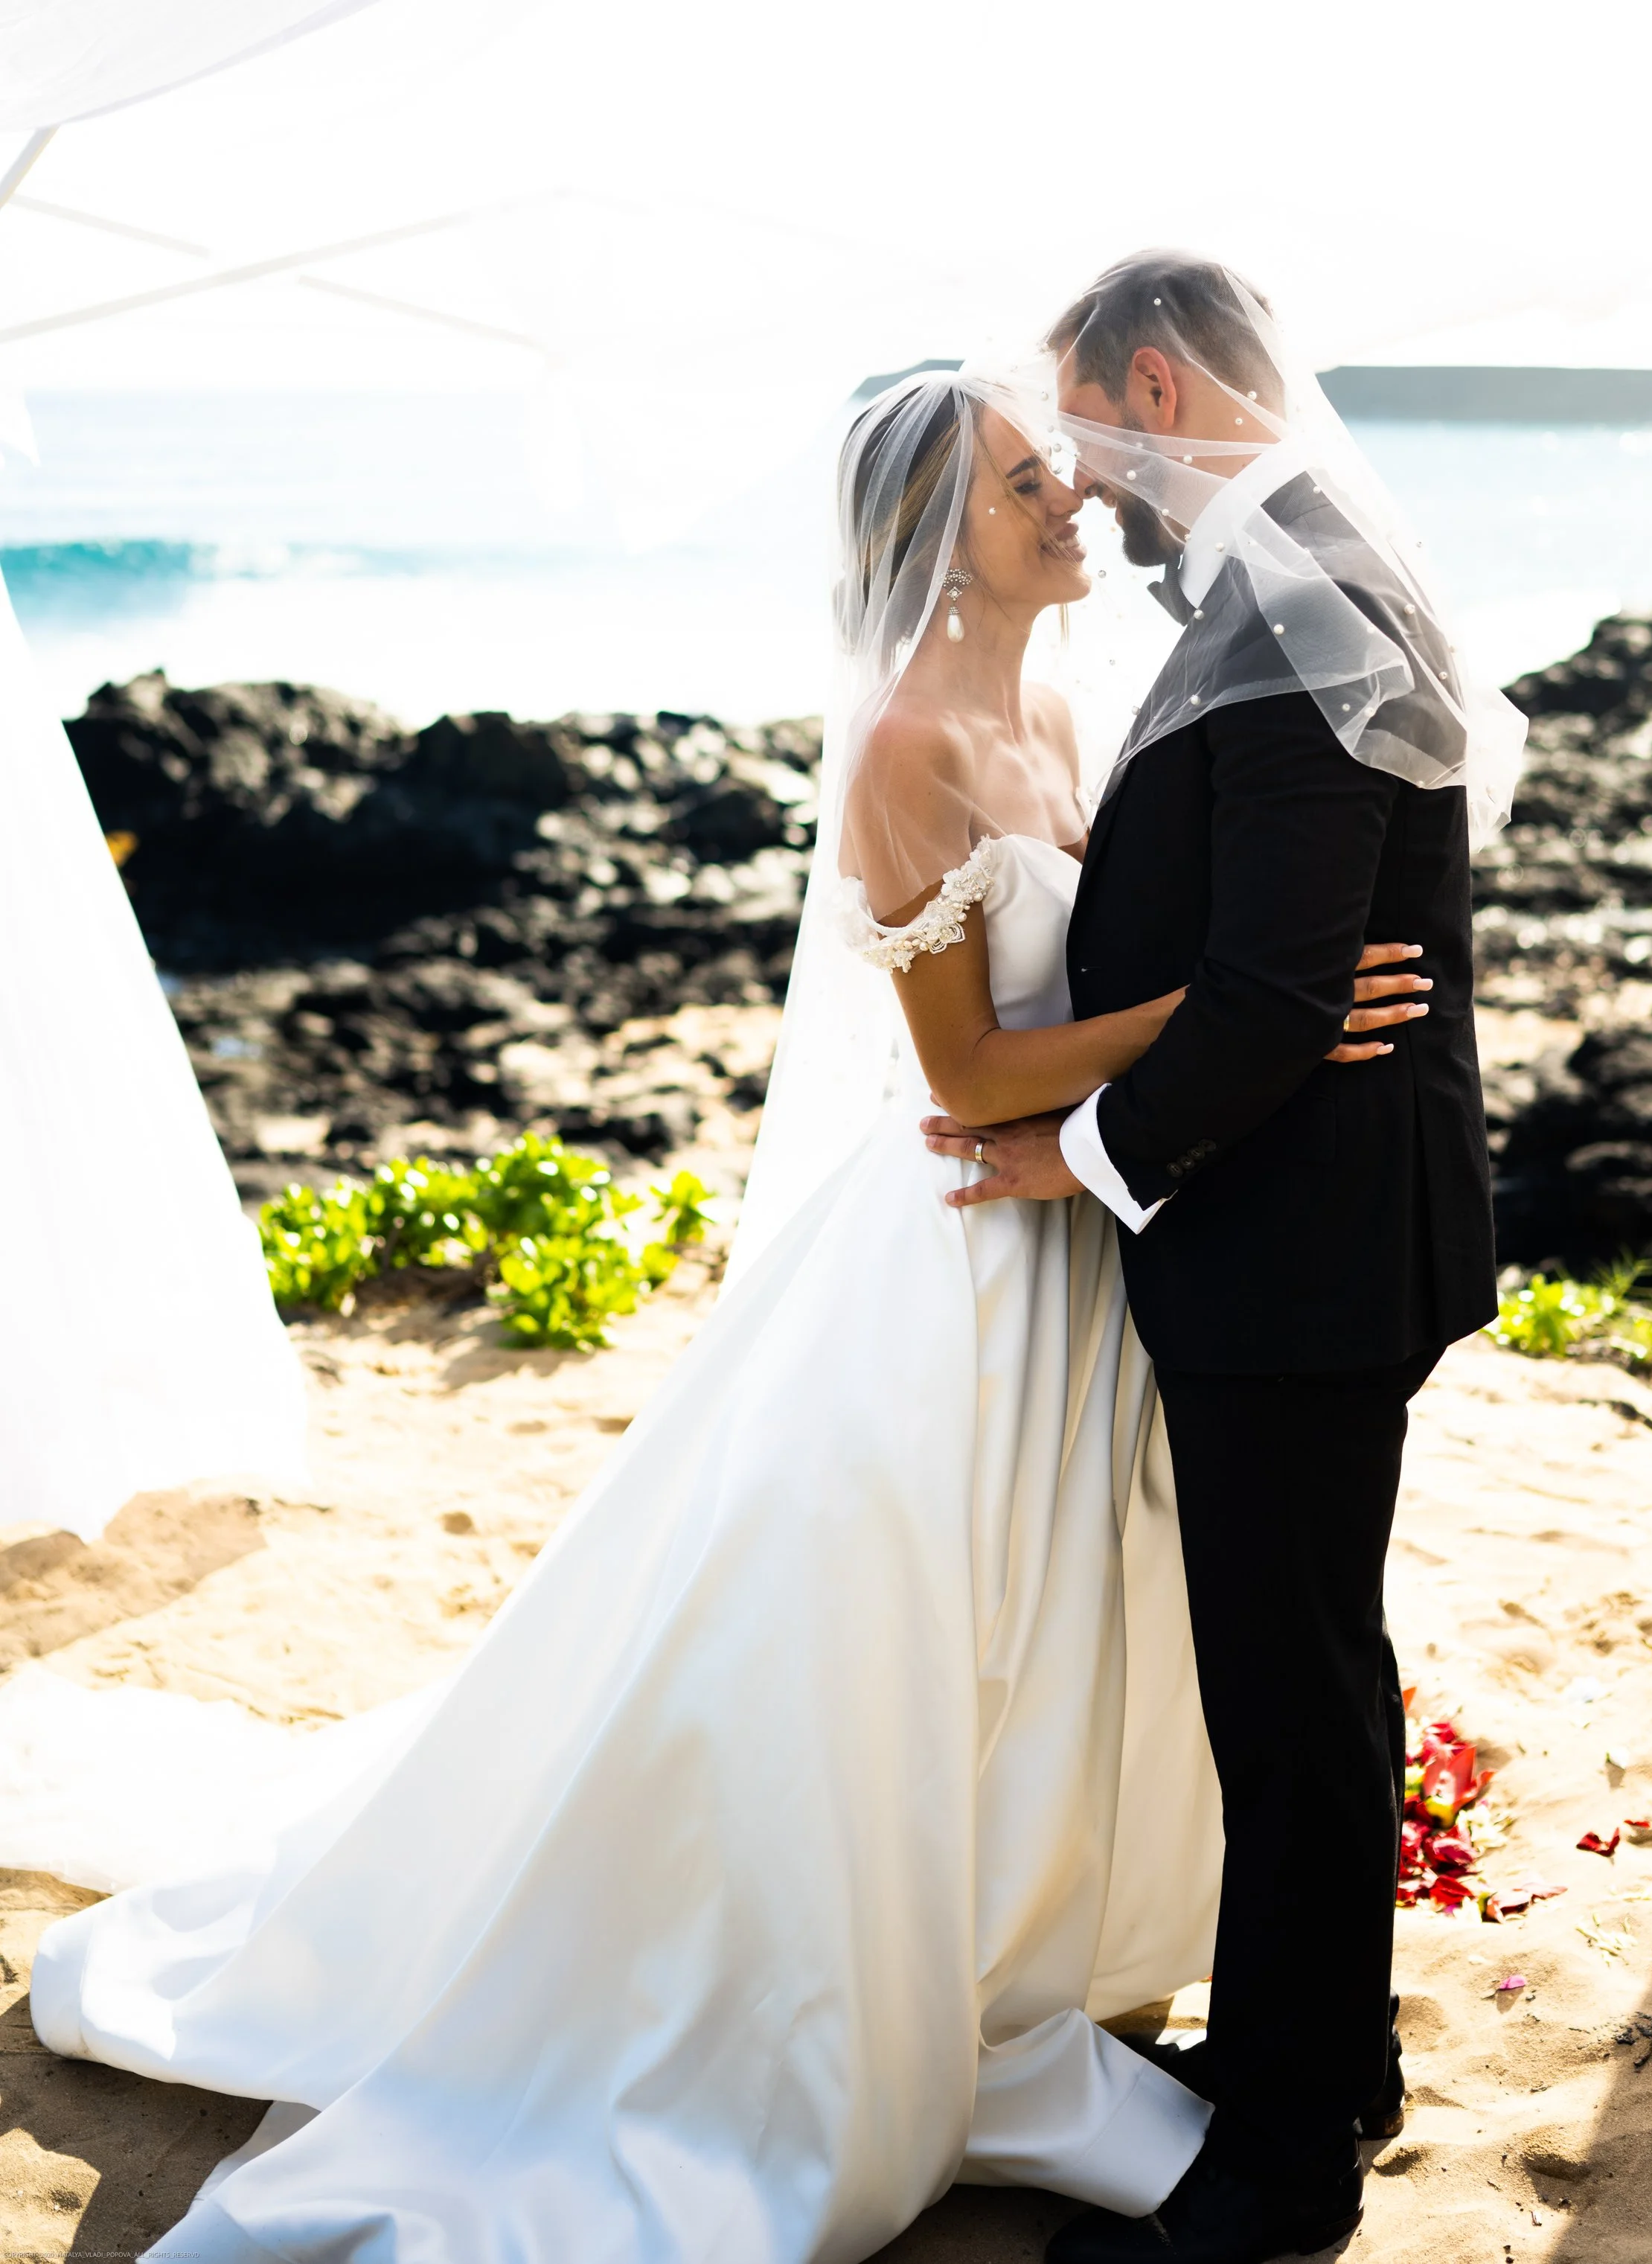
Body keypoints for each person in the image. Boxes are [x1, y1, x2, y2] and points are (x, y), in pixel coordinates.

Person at [24, 365, 1424, 2264]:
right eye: (1029, 482)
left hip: (1082, 1247)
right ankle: (852, 1997)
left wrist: (1222, 1016)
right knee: (894, 1631)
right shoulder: (900, 752)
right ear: (942, 530)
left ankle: (1001, 1954)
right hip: (955, 1255)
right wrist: (1251, 1011)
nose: (1073, 499)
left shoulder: (1072, 708)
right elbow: (972, 1071)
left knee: (1044, 1632)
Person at [922, 253, 1526, 2264]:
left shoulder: (1296, 589)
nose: (1087, 491)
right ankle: (1321, 2054)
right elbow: (1282, 967)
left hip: (1300, 1243)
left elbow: (1276, 999)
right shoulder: (1304, 561)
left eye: (1091, 438)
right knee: (1309, 1668)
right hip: (1319, 1226)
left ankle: (1280, 2161)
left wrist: (1063, 1155)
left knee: (1283, 1687)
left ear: (1155, 388)